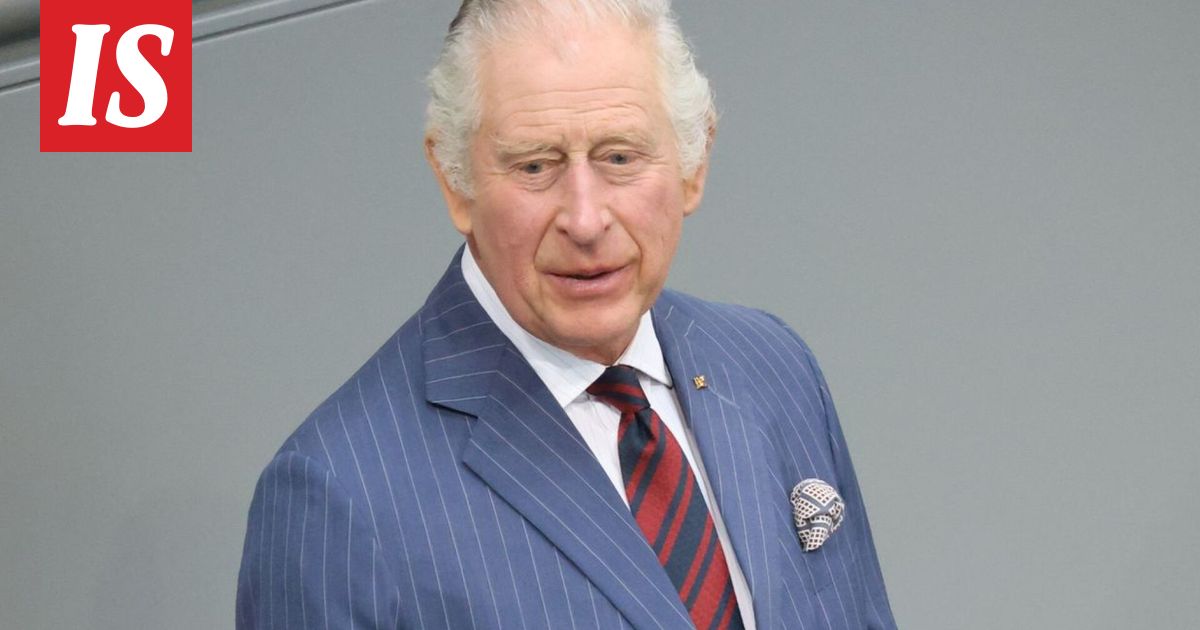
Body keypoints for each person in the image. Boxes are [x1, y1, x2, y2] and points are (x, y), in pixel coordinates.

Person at [236, 1, 895, 628]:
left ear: (693, 165)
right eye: (535, 166)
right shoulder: (339, 495)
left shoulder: (773, 365)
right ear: (454, 181)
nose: (584, 219)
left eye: (619, 157)